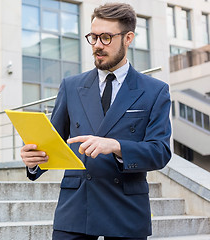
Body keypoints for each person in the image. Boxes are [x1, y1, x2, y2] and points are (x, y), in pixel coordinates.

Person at [20, 3, 171, 240]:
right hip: (76, 208)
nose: (98, 45)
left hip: (126, 209)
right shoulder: (71, 86)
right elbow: (53, 142)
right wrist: (33, 161)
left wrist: (116, 146)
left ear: (128, 38)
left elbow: (160, 152)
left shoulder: (154, 91)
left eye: (106, 37)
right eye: (93, 37)